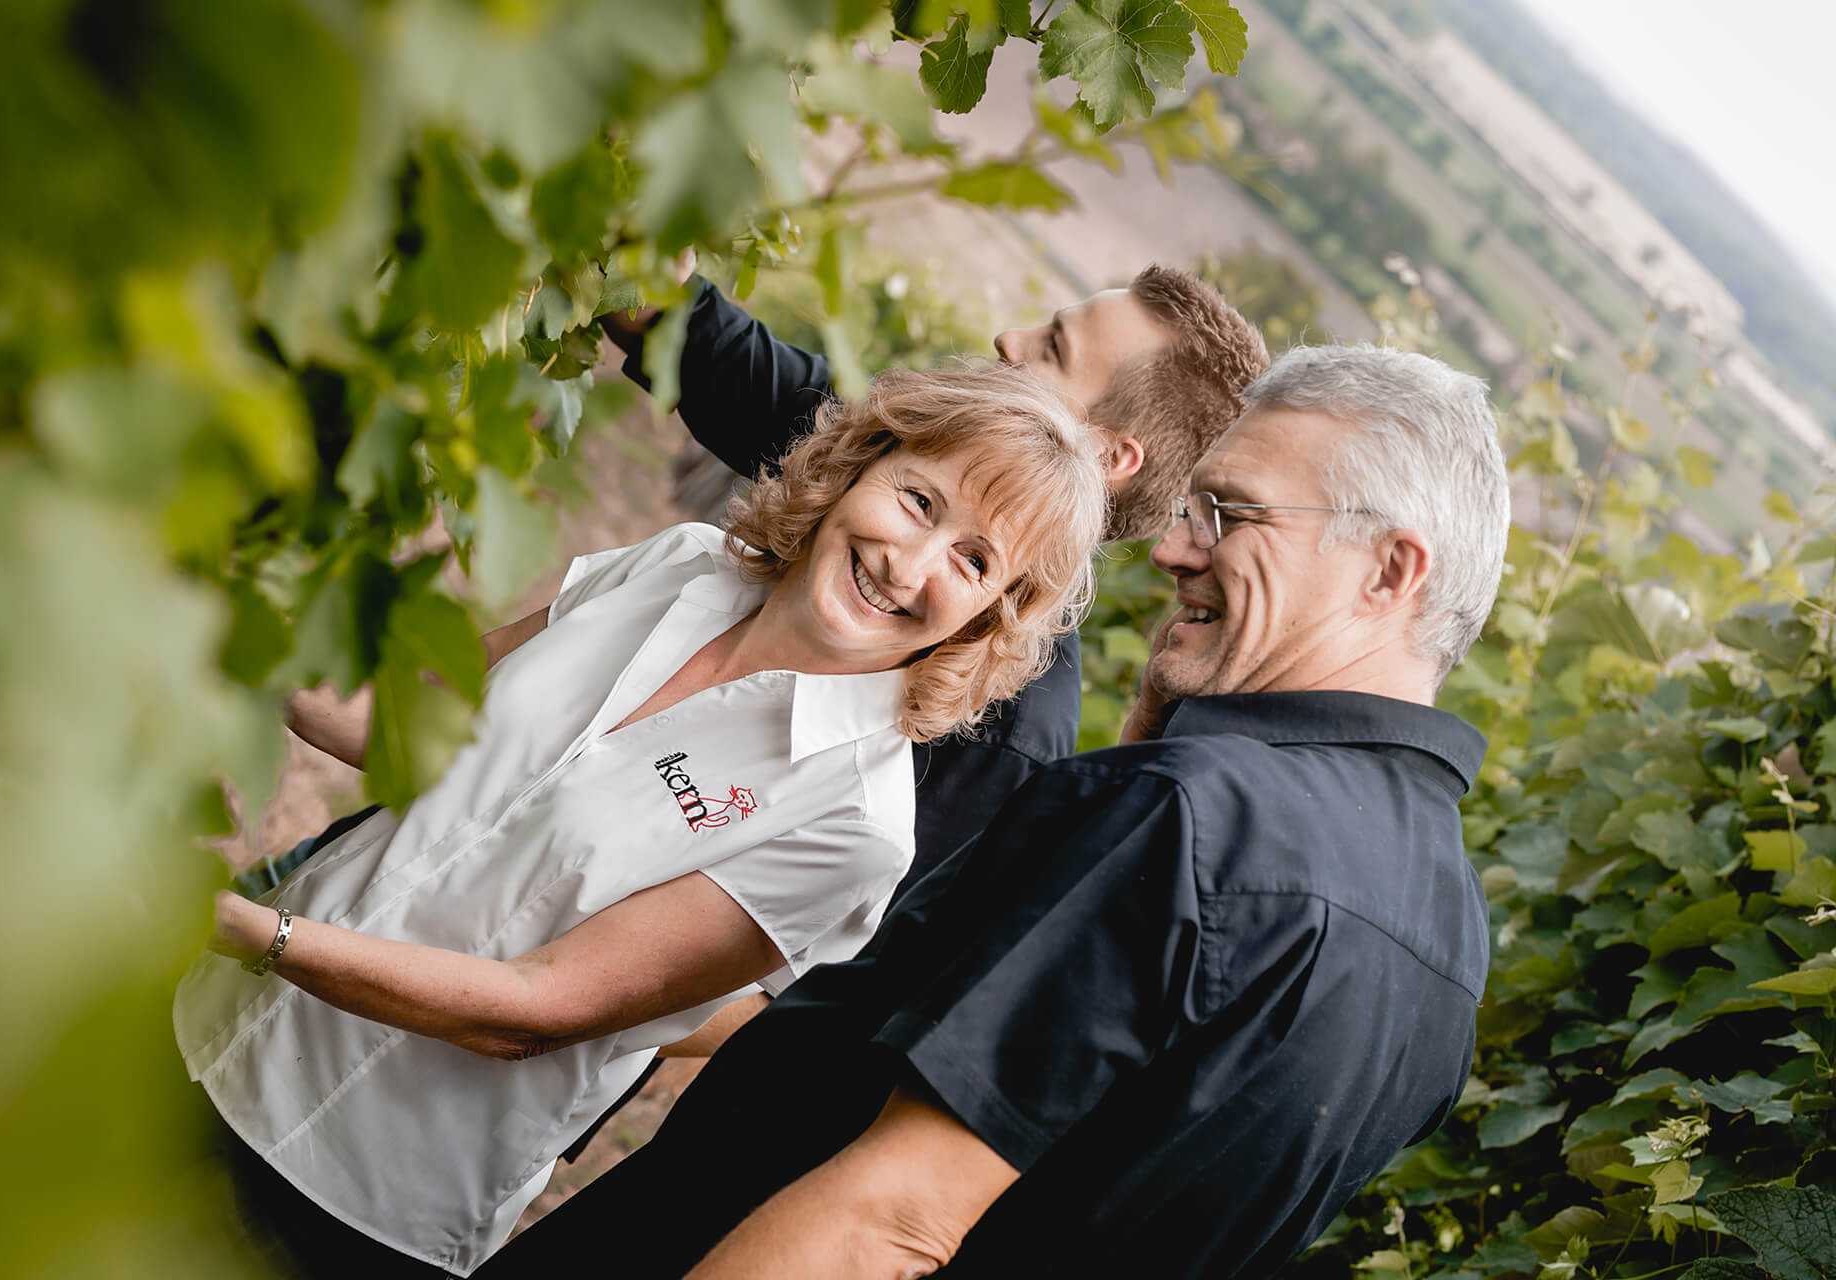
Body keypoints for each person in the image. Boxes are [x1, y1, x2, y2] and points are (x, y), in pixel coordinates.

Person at [470, 343, 1512, 1280]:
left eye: (1229, 514)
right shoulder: (1448, 954)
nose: (1173, 549)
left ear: (1389, 569)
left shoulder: (1191, 819)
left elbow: (891, 1222)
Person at [172, 366, 1107, 1278]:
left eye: (974, 561)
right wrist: (215, 607)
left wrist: (251, 930)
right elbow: (416, 729)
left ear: (993, 615)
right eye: (919, 501)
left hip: (346, 1177)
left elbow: (535, 1012)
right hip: (216, 1021)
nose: (912, 566)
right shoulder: (683, 565)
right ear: (864, 462)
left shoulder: (853, 822)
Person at [605, 263, 1271, 888]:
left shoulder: (1008, 733)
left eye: (1054, 349)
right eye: (917, 503)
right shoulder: (887, 448)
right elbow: (719, 357)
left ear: (1108, 455)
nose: (1008, 339)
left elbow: (821, 975)